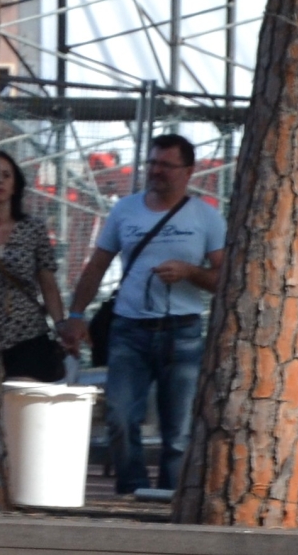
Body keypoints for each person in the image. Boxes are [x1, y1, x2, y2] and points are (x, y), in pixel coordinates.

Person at [62, 134, 225, 494]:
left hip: (181, 331)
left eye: (166, 165)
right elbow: (97, 266)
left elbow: (225, 278)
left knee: (178, 431)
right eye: (152, 164)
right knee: (120, 418)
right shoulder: (125, 210)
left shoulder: (206, 217)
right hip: (129, 329)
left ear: (188, 171)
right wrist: (75, 314)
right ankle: (132, 490)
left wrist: (190, 272)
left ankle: (172, 498)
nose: (157, 172)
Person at [0, 151, 69, 383]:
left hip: (26, 336)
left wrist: (60, 324)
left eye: (6, 175)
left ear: (15, 186)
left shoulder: (32, 230)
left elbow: (47, 282)